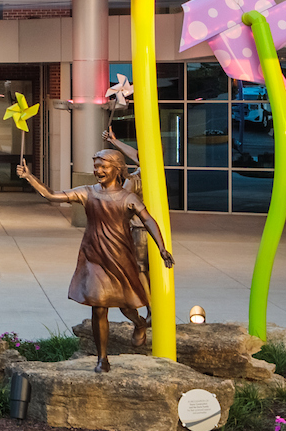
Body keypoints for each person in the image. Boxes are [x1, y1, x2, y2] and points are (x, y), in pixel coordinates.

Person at [16, 148, 173, 371]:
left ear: (117, 169)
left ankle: (139, 323)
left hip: (120, 257)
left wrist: (162, 248)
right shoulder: (87, 192)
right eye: (96, 166)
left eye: (103, 166)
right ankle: (102, 358)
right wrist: (30, 177)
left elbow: (148, 221)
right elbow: (52, 195)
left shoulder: (128, 198)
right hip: (94, 257)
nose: (98, 170)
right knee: (99, 307)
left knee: (126, 306)